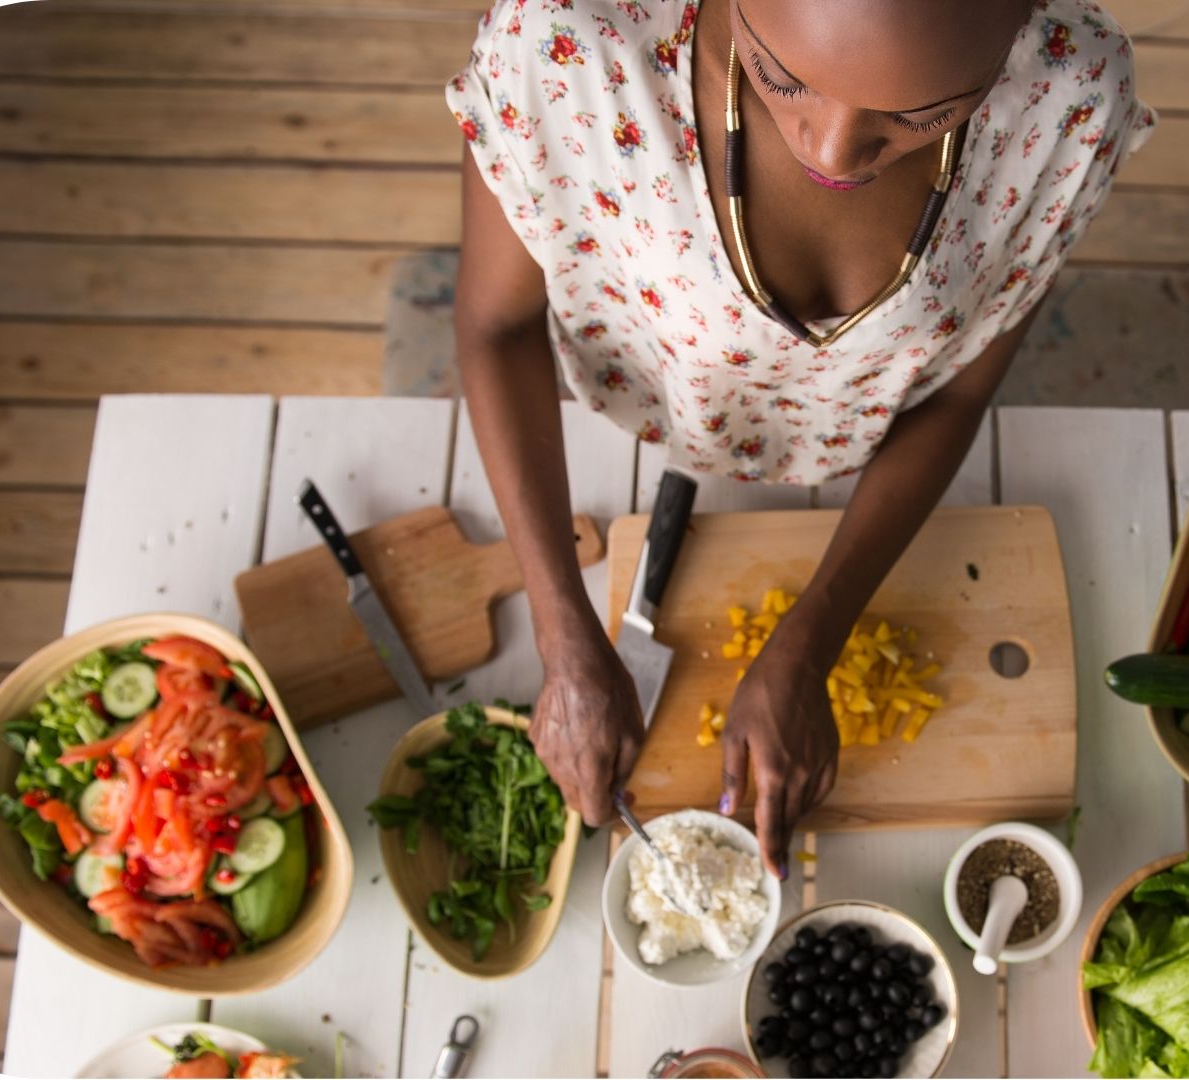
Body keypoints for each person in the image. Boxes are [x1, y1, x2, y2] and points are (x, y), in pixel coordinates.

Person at [450, 0, 1152, 879]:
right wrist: (560, 633)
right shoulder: (566, 42)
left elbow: (962, 392)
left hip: (875, 448)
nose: (829, 150)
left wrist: (811, 639)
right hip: (629, 425)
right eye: (781, 77)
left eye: (921, 114)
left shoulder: (1071, 94)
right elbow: (496, 329)